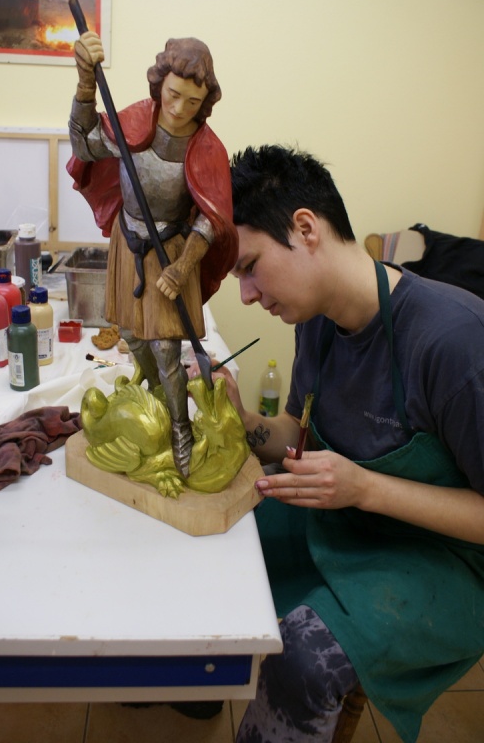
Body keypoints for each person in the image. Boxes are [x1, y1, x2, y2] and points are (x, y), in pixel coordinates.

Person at [197, 144, 484, 743]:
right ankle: (190, 694)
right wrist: (241, 418)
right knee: (215, 541)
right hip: (350, 516)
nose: (245, 295)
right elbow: (296, 436)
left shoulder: (454, 341)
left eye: (249, 267)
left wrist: (365, 488)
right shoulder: (315, 320)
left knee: (302, 659)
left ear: (306, 229)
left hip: (449, 559)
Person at [67, 32, 237, 477]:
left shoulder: (207, 149)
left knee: (166, 348)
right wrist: (86, 81)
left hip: (171, 251)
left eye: (193, 102)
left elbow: (210, 219)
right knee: (131, 333)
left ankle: (180, 426)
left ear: (205, 102)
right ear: (160, 84)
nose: (179, 109)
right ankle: (155, 392)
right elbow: (85, 144)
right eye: (173, 95)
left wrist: (182, 267)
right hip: (128, 242)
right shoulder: (135, 122)